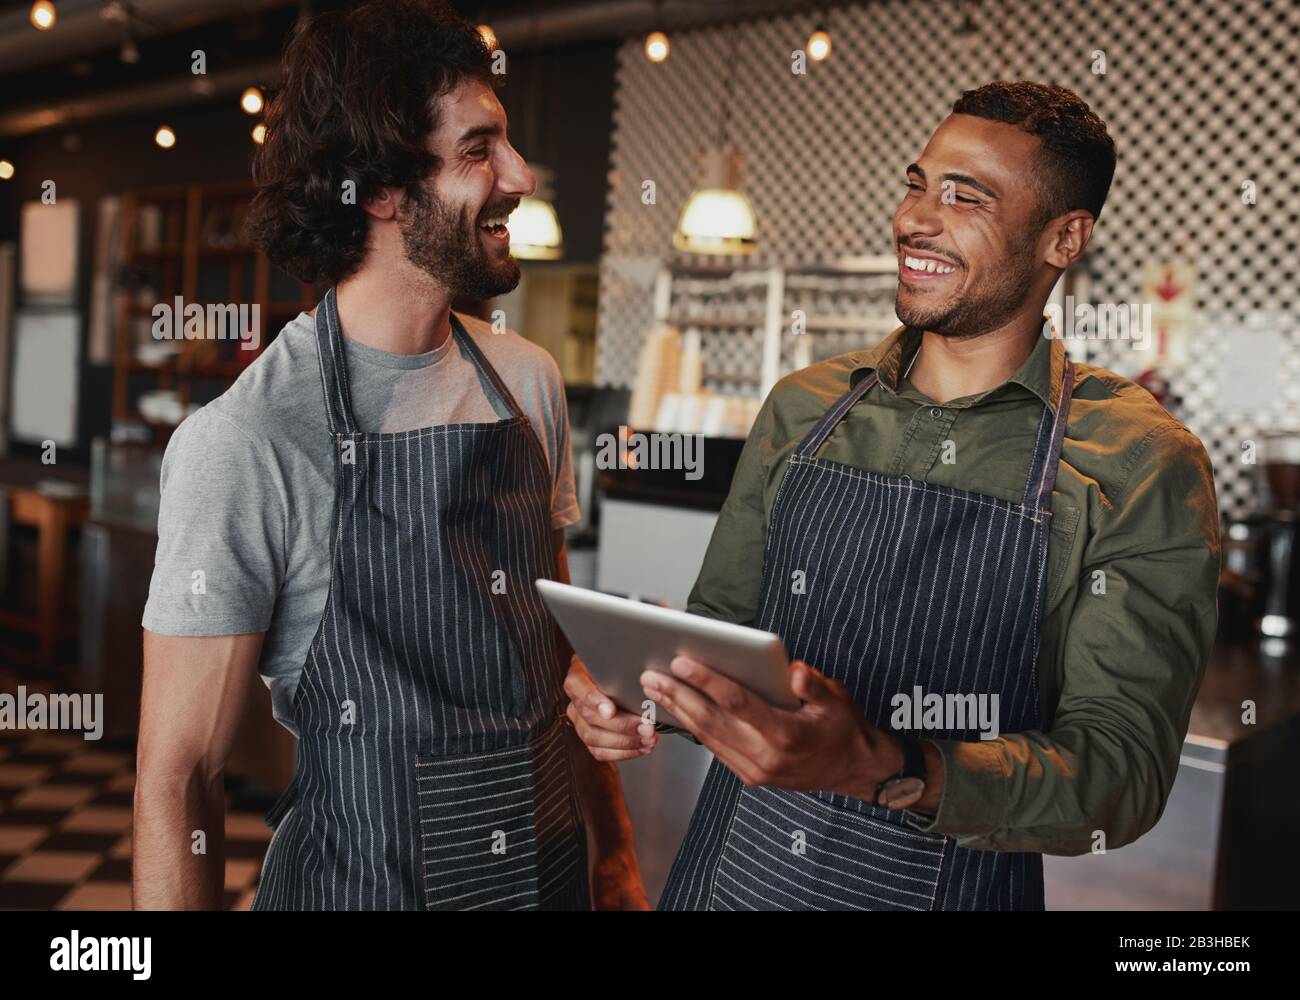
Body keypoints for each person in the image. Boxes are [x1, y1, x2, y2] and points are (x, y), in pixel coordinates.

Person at [566, 81, 1221, 911]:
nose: (916, 217)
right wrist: (640, 694)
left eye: (965, 196)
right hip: (730, 879)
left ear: (1066, 237)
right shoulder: (806, 406)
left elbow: (1117, 776)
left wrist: (885, 766)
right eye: (916, 184)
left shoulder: (1142, 463)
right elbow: (721, 644)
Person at [134, 0, 647, 911]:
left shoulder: (527, 384)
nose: (521, 176)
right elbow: (179, 783)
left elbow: (554, 649)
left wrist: (614, 855)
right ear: (377, 189)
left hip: (551, 882)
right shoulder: (246, 441)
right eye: (479, 149)